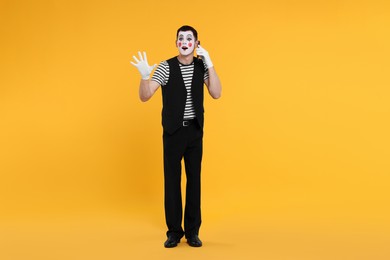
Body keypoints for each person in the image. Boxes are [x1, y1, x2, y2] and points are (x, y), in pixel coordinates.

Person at [130, 25, 222, 248]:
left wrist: (209, 62)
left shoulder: (202, 66)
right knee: (172, 182)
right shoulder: (165, 67)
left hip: (194, 131)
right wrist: (144, 77)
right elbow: (145, 96)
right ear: (176, 43)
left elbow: (217, 93)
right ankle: (173, 232)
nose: (184, 41)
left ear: (196, 43)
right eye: (180, 38)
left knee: (194, 181)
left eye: (189, 38)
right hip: (173, 132)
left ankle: (192, 232)